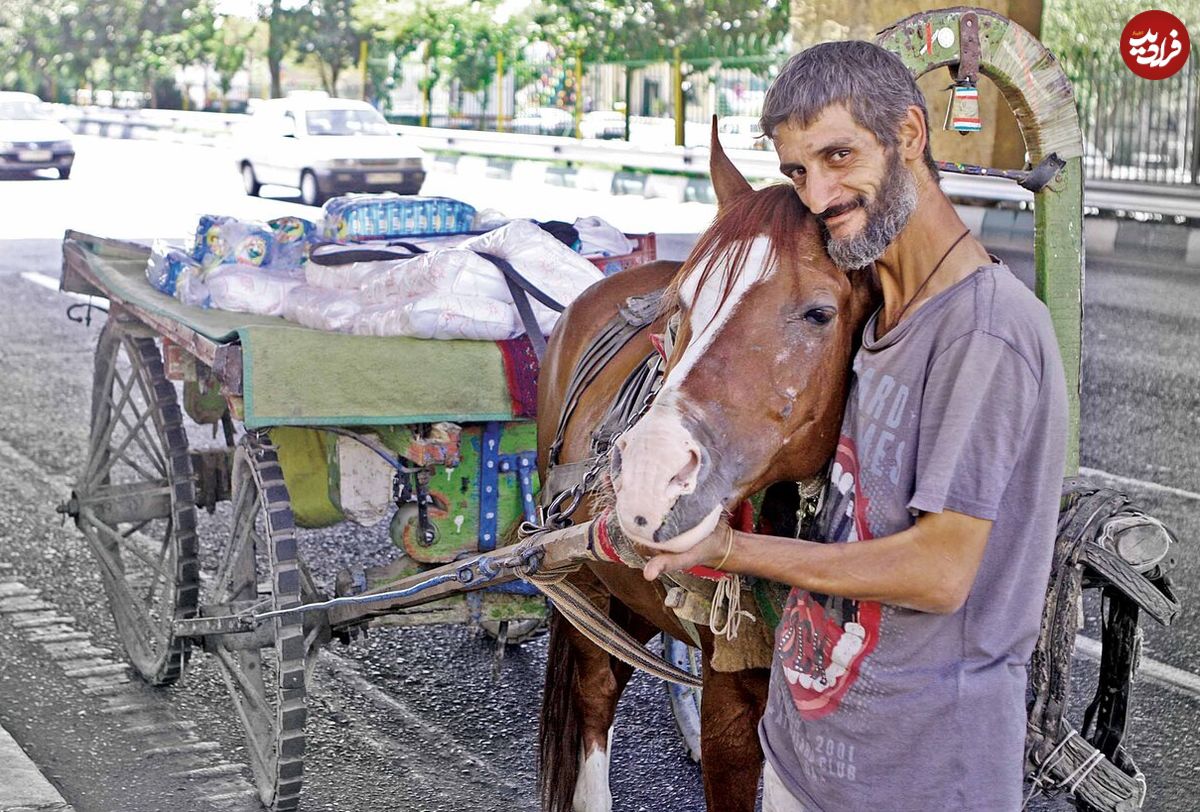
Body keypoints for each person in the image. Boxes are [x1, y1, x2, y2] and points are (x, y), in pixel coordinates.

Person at [640, 41, 1068, 811]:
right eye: (799, 171)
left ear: (908, 135)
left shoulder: (986, 331)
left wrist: (732, 548)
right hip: (803, 758)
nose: (819, 194)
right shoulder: (869, 311)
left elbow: (940, 573)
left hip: (920, 777)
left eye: (840, 155)